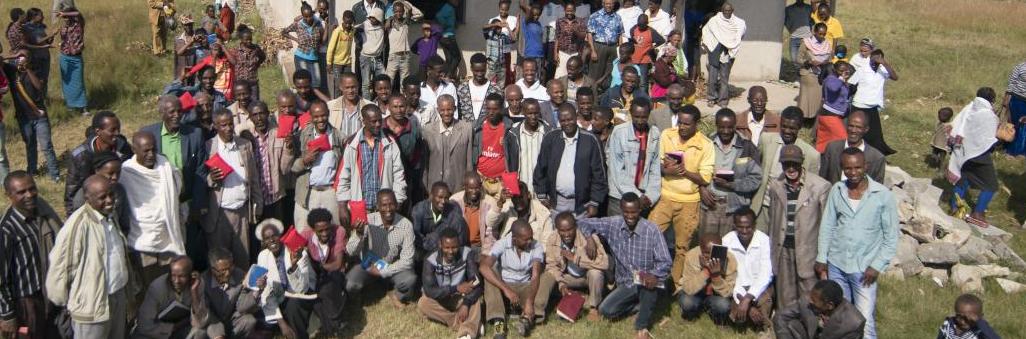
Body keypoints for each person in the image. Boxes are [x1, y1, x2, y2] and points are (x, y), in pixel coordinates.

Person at [816, 147, 898, 339]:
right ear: (842, 168)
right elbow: (827, 225)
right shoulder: (837, 190)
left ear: (866, 166)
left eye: (857, 168)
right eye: (848, 168)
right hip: (837, 263)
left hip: (864, 269)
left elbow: (891, 237)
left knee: (864, 319)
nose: (853, 173)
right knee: (840, 317)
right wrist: (822, 257)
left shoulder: (882, 195)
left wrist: (876, 266)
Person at [46, 175, 134, 339]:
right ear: (88, 198)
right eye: (102, 197)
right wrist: (70, 304)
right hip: (91, 306)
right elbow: (61, 268)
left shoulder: (109, 215)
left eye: (111, 194)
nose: (109, 200)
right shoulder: (78, 225)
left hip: (116, 296)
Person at [576, 193, 670, 339]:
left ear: (640, 210)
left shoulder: (652, 230)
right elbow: (582, 223)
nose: (630, 216)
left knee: (649, 287)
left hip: (647, 280)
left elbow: (665, 261)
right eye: (626, 212)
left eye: (634, 212)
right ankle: (642, 306)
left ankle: (641, 328)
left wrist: (655, 275)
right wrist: (589, 238)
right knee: (606, 311)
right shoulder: (613, 223)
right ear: (621, 210)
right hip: (626, 282)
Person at [140, 95, 209, 256]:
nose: (177, 115)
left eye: (179, 111)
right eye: (172, 112)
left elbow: (200, 171)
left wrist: (196, 206)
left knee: (189, 249)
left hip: (185, 204)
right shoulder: (148, 134)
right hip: (159, 205)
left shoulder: (194, 134)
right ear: (161, 113)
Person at [651, 105, 713, 282]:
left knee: (682, 246)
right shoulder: (667, 135)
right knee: (649, 234)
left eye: (687, 124)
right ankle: (648, 275)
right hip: (665, 196)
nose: (682, 127)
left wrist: (684, 172)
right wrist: (667, 170)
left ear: (696, 124)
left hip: (689, 202)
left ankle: (674, 283)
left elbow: (705, 178)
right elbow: (656, 163)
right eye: (680, 123)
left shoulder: (705, 145)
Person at [766, 145, 830, 313]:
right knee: (785, 297)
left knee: (810, 297)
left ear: (802, 163)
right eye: (787, 164)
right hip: (783, 250)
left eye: (794, 164)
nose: (791, 168)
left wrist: (823, 257)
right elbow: (773, 219)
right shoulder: (776, 185)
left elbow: (826, 225)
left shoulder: (820, 187)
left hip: (808, 252)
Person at [0, 172, 62, 339]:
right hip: (26, 304)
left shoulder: (41, 215)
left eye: (32, 189)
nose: (29, 195)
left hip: (49, 296)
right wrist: (8, 316)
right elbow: (1, 279)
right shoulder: (6, 230)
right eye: (21, 192)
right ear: (9, 195)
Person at [121, 131, 187, 283]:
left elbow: (177, 190)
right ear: (134, 149)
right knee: (149, 283)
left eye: (154, 149)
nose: (151, 155)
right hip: (142, 239)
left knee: (170, 280)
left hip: (167, 234)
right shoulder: (126, 172)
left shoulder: (164, 166)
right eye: (146, 151)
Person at [205, 109, 263, 269]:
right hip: (219, 214)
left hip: (242, 212)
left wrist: (258, 204)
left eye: (231, 124)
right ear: (216, 126)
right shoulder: (209, 148)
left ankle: (243, 291)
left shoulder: (244, 145)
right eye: (224, 125)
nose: (229, 128)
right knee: (220, 261)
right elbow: (201, 180)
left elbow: (253, 178)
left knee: (242, 257)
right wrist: (212, 179)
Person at [345, 189, 419, 304]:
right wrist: (358, 233)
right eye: (384, 205)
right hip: (368, 266)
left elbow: (407, 261)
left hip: (393, 266)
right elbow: (350, 251)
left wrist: (383, 271)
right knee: (350, 283)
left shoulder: (406, 225)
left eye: (391, 204)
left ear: (396, 205)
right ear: (377, 206)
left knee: (410, 279)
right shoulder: (367, 221)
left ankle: (397, 296)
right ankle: (359, 298)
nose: (388, 209)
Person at [534, 103, 608, 215]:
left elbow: (599, 174)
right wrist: (541, 195)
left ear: (576, 117)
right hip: (555, 203)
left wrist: (595, 201)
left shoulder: (591, 140)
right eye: (563, 121)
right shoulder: (551, 138)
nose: (567, 123)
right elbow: (540, 168)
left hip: (583, 206)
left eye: (570, 119)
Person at [480, 220, 548, 337]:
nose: (530, 241)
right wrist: (506, 290)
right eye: (526, 239)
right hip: (505, 288)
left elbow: (535, 275)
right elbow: (483, 267)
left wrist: (530, 301)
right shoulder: (502, 244)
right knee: (489, 275)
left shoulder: (536, 246)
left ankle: (526, 320)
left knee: (547, 277)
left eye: (531, 237)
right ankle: (499, 325)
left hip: (526, 287)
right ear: (514, 239)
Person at [754, 107, 819, 228]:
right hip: (763, 207)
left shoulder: (811, 155)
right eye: (784, 126)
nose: (787, 131)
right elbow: (757, 166)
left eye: (792, 128)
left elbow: (811, 188)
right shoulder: (766, 139)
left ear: (799, 127)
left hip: (789, 212)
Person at [338, 104, 408, 217]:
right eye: (373, 121)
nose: (378, 124)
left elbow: (399, 174)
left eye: (380, 120)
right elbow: (344, 177)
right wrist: (342, 205)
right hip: (359, 207)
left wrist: (398, 201)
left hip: (384, 209)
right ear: (363, 121)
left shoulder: (390, 142)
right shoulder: (352, 144)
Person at [701, 109, 763, 237]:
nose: (726, 131)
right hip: (709, 205)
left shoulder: (747, 147)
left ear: (735, 126)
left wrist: (732, 185)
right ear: (716, 125)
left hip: (733, 207)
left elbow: (756, 179)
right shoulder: (706, 143)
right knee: (707, 244)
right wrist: (701, 188)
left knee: (729, 248)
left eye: (730, 127)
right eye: (722, 127)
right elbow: (696, 170)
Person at [539, 212, 609, 322]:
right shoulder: (552, 239)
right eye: (562, 230)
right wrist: (561, 284)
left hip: (587, 277)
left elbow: (604, 263)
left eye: (570, 229)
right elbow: (552, 266)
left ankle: (593, 307)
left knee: (596, 273)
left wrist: (575, 258)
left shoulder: (589, 237)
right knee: (549, 276)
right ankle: (572, 298)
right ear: (557, 229)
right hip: (568, 277)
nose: (566, 234)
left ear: (575, 227)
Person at [253, 219, 316, 339]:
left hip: (301, 295)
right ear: (263, 242)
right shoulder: (263, 256)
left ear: (281, 236)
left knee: (293, 305)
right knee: (260, 315)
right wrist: (283, 325)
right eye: (267, 238)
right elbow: (266, 292)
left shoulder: (296, 250)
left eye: (274, 235)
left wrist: (293, 267)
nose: (271, 240)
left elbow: (301, 289)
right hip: (280, 297)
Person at [948, 88, 1001, 227]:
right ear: (992, 100)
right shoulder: (988, 115)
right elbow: (987, 138)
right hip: (979, 154)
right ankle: (977, 213)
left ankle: (955, 208)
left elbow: (957, 125)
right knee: (991, 185)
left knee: (963, 181)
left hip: (962, 151)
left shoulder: (969, 108)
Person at [419, 228, 483, 339]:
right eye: (447, 247)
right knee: (423, 303)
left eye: (454, 247)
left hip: (460, 297)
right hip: (441, 297)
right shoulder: (430, 260)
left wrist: (466, 304)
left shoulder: (467, 253)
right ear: (440, 245)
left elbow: (476, 281)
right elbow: (430, 290)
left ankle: (466, 334)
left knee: (474, 300)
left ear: (459, 244)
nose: (451, 251)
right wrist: (455, 288)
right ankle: (468, 323)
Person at [65, 111, 133, 215]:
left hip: (117, 204)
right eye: (112, 130)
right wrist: (73, 218)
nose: (117, 133)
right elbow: (71, 193)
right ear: (98, 131)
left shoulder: (123, 147)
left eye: (118, 129)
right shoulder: (81, 156)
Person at [8, 53, 60, 183]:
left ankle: (54, 174)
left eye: (24, 55)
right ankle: (32, 171)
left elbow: (39, 86)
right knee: (30, 144)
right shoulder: (12, 71)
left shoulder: (37, 69)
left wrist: (27, 69)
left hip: (39, 116)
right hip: (23, 117)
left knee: (46, 145)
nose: (21, 58)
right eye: (18, 56)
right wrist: (11, 56)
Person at [239, 101, 295, 221]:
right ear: (250, 117)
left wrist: (289, 149)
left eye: (262, 113)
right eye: (255, 115)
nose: (259, 118)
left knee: (277, 232)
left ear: (268, 114)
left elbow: (285, 170)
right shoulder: (245, 137)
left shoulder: (278, 133)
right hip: (255, 198)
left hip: (275, 195)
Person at [292, 101, 343, 231]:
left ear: (328, 114)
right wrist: (304, 161)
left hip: (330, 193)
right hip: (307, 193)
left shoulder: (338, 136)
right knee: (304, 233)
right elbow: (290, 167)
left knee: (333, 232)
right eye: (316, 116)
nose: (320, 119)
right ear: (311, 117)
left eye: (323, 115)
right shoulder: (301, 136)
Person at [607, 98, 662, 215]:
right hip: (620, 196)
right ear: (631, 114)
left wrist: (651, 196)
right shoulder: (619, 132)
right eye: (636, 117)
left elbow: (655, 168)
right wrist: (637, 195)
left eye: (644, 117)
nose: (640, 121)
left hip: (644, 197)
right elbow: (616, 169)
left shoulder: (655, 133)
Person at [300, 208, 349, 336]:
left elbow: (337, 264)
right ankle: (334, 326)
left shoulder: (339, 231)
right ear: (313, 230)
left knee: (326, 289)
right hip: (316, 275)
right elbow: (292, 249)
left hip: (335, 273)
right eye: (320, 231)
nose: (325, 233)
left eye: (327, 229)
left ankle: (335, 322)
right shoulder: (306, 235)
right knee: (316, 299)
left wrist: (321, 266)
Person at [721, 208, 773, 329]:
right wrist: (746, 303)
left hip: (759, 286)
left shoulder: (764, 240)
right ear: (734, 226)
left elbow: (765, 274)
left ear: (754, 225)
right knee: (737, 314)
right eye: (740, 227)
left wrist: (747, 298)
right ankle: (740, 321)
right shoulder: (727, 241)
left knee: (764, 301)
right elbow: (729, 276)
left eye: (748, 227)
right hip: (736, 286)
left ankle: (763, 327)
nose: (744, 231)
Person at [192, 248, 259, 339]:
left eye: (230, 267)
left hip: (231, 320)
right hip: (212, 323)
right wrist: (218, 333)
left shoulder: (239, 275)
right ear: (213, 270)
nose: (227, 273)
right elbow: (206, 313)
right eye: (223, 270)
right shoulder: (203, 281)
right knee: (200, 332)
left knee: (249, 321)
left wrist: (256, 290)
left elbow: (241, 306)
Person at [132, 257, 204, 339]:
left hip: (180, 331)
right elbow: (144, 325)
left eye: (182, 276)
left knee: (199, 333)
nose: (177, 281)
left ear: (190, 275)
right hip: (156, 332)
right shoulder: (157, 288)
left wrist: (194, 292)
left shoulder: (197, 284)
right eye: (173, 275)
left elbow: (200, 323)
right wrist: (173, 327)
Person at [773, 280, 865, 339]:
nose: (810, 301)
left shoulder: (854, 323)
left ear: (829, 305)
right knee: (791, 324)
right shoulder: (807, 299)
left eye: (814, 300)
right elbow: (781, 316)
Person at [677, 233, 737, 324]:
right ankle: (692, 313)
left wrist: (716, 276)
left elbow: (727, 293)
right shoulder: (692, 255)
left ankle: (713, 313)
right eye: (706, 252)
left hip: (715, 295)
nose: (710, 256)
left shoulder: (730, 259)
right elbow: (688, 289)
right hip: (695, 294)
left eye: (714, 251)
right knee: (687, 302)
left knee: (723, 305)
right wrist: (706, 271)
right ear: (700, 249)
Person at [849, 48, 898, 155]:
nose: (876, 60)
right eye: (874, 58)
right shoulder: (863, 69)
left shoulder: (883, 69)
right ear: (870, 58)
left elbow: (895, 77)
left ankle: (877, 154)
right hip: (859, 104)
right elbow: (851, 83)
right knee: (858, 129)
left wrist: (885, 64)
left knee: (875, 132)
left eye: (879, 58)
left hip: (872, 105)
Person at [819, 110, 886, 184]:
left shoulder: (876, 158)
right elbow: (822, 178)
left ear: (866, 129)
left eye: (858, 127)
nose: (853, 130)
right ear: (846, 126)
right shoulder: (832, 148)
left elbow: (878, 188)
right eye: (851, 126)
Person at [471, 94, 516, 198]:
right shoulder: (477, 127)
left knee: (507, 209)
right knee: (483, 211)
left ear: (502, 108)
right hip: (481, 179)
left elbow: (513, 158)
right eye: (488, 108)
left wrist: (512, 183)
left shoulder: (510, 128)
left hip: (503, 180)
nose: (491, 112)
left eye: (495, 109)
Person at [702, 3, 746, 108]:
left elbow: (740, 35)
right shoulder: (714, 21)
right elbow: (706, 32)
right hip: (715, 52)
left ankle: (723, 101)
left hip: (727, 53)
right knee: (712, 78)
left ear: (732, 10)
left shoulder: (738, 23)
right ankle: (711, 98)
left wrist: (731, 44)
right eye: (725, 11)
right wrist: (710, 45)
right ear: (722, 10)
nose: (727, 13)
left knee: (724, 79)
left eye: (729, 11)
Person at [412, 182, 470, 254]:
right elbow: (416, 237)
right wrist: (433, 242)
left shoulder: (454, 210)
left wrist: (437, 240)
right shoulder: (419, 210)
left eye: (446, 198)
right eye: (440, 197)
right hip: (423, 250)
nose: (443, 201)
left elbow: (460, 239)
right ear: (431, 196)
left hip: (445, 251)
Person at [451, 172, 501, 252]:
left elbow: (492, 229)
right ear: (465, 187)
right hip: (460, 246)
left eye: (477, 188)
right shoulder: (455, 201)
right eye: (471, 188)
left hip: (480, 246)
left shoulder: (489, 202)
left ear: (480, 187)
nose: (474, 191)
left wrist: (486, 252)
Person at [282, 2, 324, 90]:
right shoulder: (298, 24)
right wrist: (296, 40)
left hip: (314, 57)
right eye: (305, 16)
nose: (308, 18)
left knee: (317, 82)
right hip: (301, 57)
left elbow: (322, 39)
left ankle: (314, 101)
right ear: (302, 16)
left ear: (312, 14)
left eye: (310, 16)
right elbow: (284, 32)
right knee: (305, 84)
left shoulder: (317, 23)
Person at [384, 1, 422, 92]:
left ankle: (403, 101)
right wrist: (390, 18)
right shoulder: (390, 21)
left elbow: (417, 13)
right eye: (396, 11)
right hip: (394, 56)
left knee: (404, 82)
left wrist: (402, 1)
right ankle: (387, 101)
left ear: (403, 11)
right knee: (389, 80)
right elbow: (385, 27)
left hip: (405, 56)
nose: (398, 13)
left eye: (400, 11)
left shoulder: (406, 21)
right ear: (393, 11)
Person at [797, 23, 831, 123]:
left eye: (824, 34)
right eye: (820, 34)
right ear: (815, 32)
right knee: (805, 100)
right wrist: (809, 62)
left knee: (817, 99)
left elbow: (829, 58)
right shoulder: (806, 43)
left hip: (820, 75)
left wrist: (825, 62)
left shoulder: (827, 44)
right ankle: (802, 120)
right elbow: (798, 59)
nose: (822, 36)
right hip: (808, 74)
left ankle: (813, 120)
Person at [56, 8, 87, 115]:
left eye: (67, 17)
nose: (65, 19)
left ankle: (83, 107)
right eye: (64, 18)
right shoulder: (64, 27)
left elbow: (78, 13)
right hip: (65, 57)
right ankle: (70, 105)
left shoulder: (79, 24)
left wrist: (63, 12)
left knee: (78, 82)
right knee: (67, 82)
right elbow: (63, 40)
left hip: (76, 58)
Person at [817, 61, 853, 152]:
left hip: (835, 115)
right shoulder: (831, 79)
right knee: (843, 138)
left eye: (845, 70)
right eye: (841, 71)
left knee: (825, 140)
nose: (843, 73)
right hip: (829, 115)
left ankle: (822, 157)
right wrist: (841, 78)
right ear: (834, 70)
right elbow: (833, 88)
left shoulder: (842, 81)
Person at [458, 53, 503, 122]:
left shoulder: (495, 89)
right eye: (476, 71)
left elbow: (500, 111)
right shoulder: (462, 88)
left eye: (482, 70)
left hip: (487, 129)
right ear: (471, 68)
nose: (480, 74)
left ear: (486, 68)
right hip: (467, 129)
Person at [587, 0, 623, 84]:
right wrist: (593, 51)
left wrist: (620, 49)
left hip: (613, 47)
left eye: (611, 4)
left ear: (614, 5)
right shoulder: (595, 16)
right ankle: (593, 91)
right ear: (603, 4)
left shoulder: (617, 17)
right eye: (607, 3)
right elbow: (589, 34)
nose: (609, 5)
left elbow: (620, 34)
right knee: (596, 72)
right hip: (599, 47)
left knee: (610, 72)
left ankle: (606, 93)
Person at [327, 72, 372, 140]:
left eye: (353, 87)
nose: (350, 91)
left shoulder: (369, 107)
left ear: (358, 86)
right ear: (341, 87)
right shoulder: (330, 107)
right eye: (347, 87)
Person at [936, 294, 1002, 339]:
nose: (962, 322)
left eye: (968, 319)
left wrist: (979, 322)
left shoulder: (979, 332)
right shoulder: (948, 325)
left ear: (980, 317)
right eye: (959, 317)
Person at [484, 0, 517, 87]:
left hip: (505, 53)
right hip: (493, 55)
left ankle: (503, 91)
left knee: (505, 74)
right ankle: (489, 90)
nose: (503, 11)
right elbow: (485, 30)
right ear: (499, 8)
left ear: (508, 9)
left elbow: (514, 38)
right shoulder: (493, 20)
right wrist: (497, 24)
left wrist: (508, 27)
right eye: (501, 9)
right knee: (492, 75)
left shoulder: (513, 19)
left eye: (506, 9)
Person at [228, 25, 266, 101]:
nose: (249, 41)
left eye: (250, 39)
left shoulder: (255, 48)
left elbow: (263, 56)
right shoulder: (236, 51)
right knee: (241, 103)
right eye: (246, 40)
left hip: (252, 82)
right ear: (241, 39)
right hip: (240, 83)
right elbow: (232, 62)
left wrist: (257, 64)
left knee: (254, 102)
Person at [552, 1, 587, 80]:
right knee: (559, 76)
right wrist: (555, 53)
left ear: (574, 11)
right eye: (568, 10)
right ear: (564, 10)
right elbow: (557, 37)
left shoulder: (580, 21)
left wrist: (576, 31)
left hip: (575, 53)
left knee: (573, 76)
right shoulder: (560, 21)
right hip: (562, 52)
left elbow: (584, 36)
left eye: (571, 11)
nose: (569, 13)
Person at [325, 11, 355, 98]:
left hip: (347, 63)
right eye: (346, 23)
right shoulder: (337, 31)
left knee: (347, 84)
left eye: (350, 23)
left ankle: (346, 101)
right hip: (337, 63)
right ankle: (337, 102)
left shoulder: (353, 30)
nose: (348, 25)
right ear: (343, 20)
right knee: (338, 85)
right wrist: (329, 63)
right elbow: (330, 48)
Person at [1002, 61, 1026, 157]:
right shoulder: (1020, 66)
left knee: (1024, 127)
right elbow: (1012, 83)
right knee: (1014, 124)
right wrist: (1006, 97)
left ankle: (1020, 151)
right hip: (1017, 100)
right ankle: (1010, 149)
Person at [174, 19, 207, 87]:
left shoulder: (199, 35)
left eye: (190, 24)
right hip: (184, 69)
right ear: (183, 26)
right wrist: (191, 42)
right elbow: (179, 52)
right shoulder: (179, 39)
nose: (189, 26)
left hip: (198, 71)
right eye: (186, 25)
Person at [785, 0, 814, 65]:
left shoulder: (808, 8)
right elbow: (784, 21)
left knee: (806, 61)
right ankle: (796, 74)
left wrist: (811, 31)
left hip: (806, 39)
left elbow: (813, 20)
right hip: (794, 38)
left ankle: (804, 74)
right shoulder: (789, 9)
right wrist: (790, 29)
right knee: (794, 61)